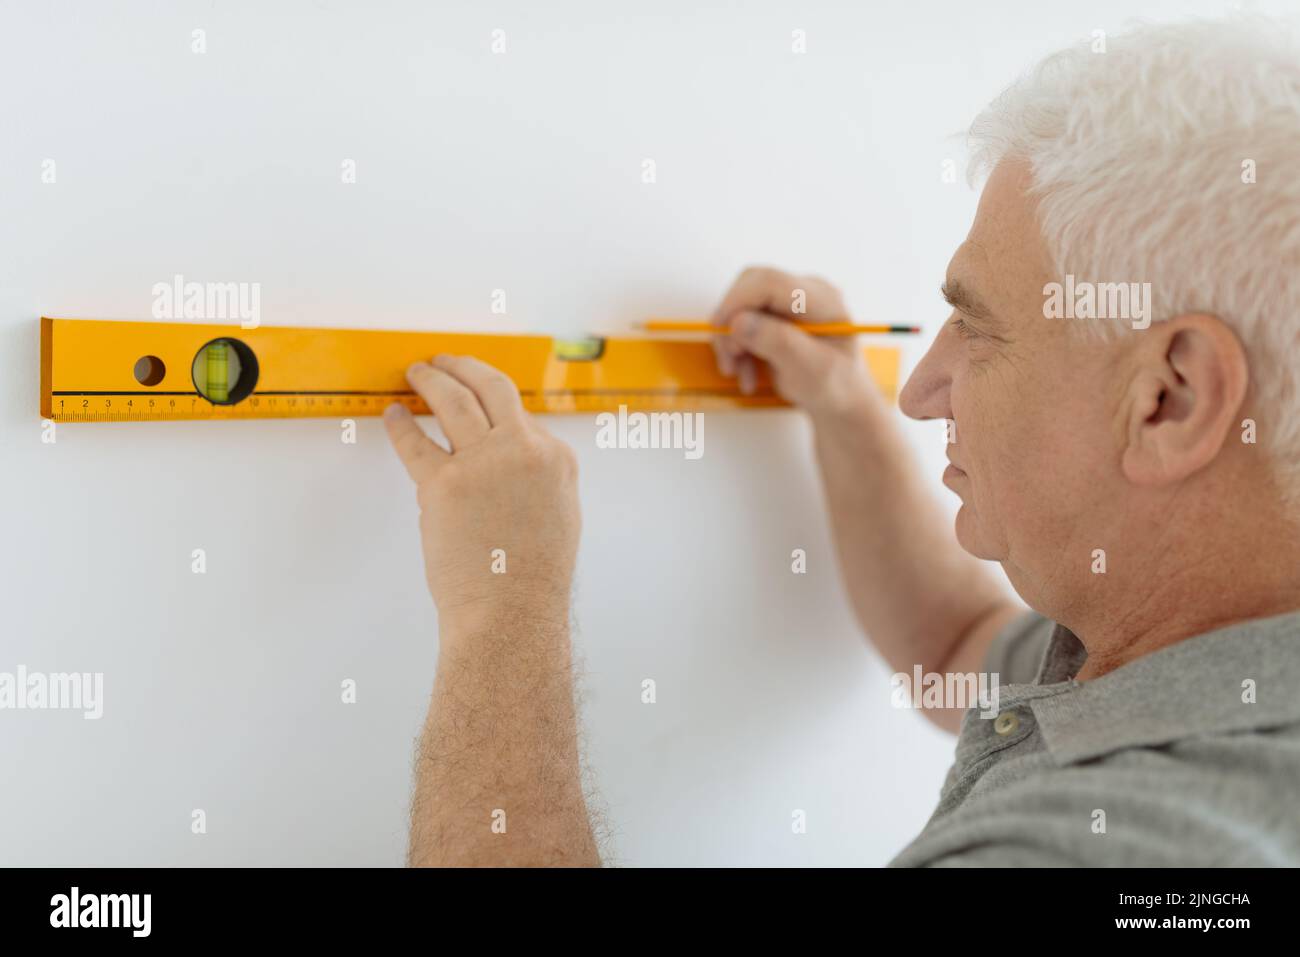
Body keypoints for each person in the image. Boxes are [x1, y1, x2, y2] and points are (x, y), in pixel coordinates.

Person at [383, 18, 1300, 867]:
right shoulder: (1184, 651)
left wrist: (503, 604)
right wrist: (835, 403)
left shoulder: (1118, 850)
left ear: (1169, 400)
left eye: (977, 328)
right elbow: (950, 645)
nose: (915, 390)